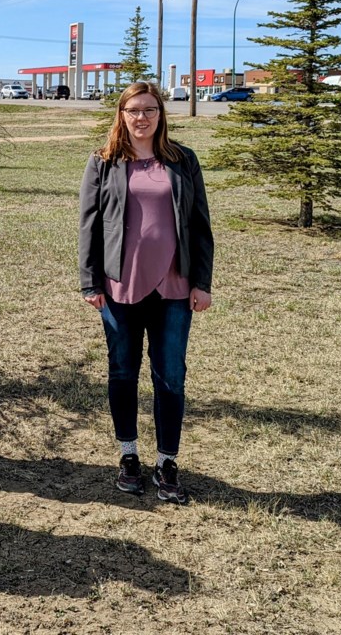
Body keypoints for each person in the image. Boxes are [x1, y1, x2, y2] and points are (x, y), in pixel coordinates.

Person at [78, 81, 213, 504]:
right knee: (122, 371)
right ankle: (129, 456)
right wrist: (90, 281)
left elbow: (200, 224)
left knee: (170, 376)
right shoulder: (104, 162)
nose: (142, 118)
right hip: (120, 285)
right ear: (122, 115)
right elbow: (89, 226)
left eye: (149, 110)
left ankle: (167, 461)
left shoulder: (182, 160)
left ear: (161, 114)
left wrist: (202, 282)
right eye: (133, 110)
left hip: (174, 286)